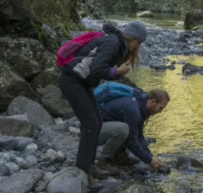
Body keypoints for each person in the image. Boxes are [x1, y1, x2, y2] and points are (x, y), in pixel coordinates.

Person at [58, 21, 147, 175]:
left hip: (82, 83)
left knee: (97, 122)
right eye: (139, 42)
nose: (138, 47)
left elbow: (101, 72)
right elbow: (97, 69)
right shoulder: (112, 42)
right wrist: (116, 72)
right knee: (90, 124)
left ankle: (89, 165)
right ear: (133, 39)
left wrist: (117, 73)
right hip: (72, 81)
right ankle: (83, 170)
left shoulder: (118, 45)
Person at [95, 85, 170, 172]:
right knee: (123, 130)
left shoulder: (140, 106)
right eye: (161, 107)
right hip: (93, 131)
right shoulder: (133, 111)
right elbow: (132, 141)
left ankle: (118, 156)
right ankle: (104, 162)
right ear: (153, 102)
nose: (161, 111)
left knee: (126, 129)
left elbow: (139, 135)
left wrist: (150, 156)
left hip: (104, 126)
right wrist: (149, 160)